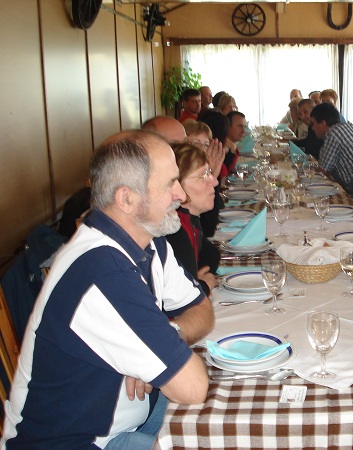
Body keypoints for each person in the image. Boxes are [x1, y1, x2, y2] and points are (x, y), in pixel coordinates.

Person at [1, 130, 214, 448]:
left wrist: (165, 338)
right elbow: (193, 387)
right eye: (170, 183)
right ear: (126, 199)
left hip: (129, 417)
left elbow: (202, 309)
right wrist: (160, 353)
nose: (181, 195)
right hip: (78, 442)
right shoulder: (102, 271)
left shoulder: (149, 242)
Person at [167, 143, 220, 296]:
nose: (214, 181)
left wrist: (196, 282)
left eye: (210, 172)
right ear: (176, 186)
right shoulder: (174, 231)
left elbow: (212, 255)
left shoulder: (189, 221)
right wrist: (202, 285)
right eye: (203, 176)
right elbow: (180, 297)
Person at [311, 102, 353, 190]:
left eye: (313, 124)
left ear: (323, 123)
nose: (312, 128)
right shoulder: (347, 127)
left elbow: (323, 171)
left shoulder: (333, 133)